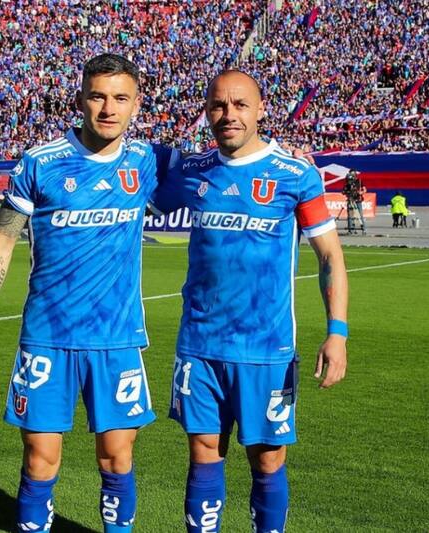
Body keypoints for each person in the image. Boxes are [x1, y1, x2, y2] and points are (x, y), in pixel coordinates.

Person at [0, 54, 176, 532]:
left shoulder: (148, 161)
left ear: (136, 103)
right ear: (80, 98)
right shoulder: (41, 163)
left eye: (120, 98)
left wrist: (282, 147)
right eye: (98, 96)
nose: (108, 108)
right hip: (47, 337)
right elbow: (2, 240)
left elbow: (228, 161)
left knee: (117, 458)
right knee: (41, 458)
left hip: (117, 339)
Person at [150, 70, 349, 533]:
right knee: (202, 454)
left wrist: (336, 332)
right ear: (206, 111)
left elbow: (330, 258)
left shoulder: (295, 173)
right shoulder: (195, 172)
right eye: (218, 106)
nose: (228, 115)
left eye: (240, 105)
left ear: (261, 109)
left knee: (267, 458)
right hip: (199, 345)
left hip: (266, 349)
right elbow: (132, 174)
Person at [342, 169, 366, 235]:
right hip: (350, 200)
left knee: (359, 215)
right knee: (350, 216)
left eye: (352, 174)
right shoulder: (347, 183)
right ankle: (351, 230)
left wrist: (361, 192)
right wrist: (346, 192)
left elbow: (364, 189)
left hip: (358, 200)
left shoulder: (359, 181)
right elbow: (344, 191)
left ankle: (363, 229)